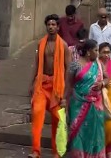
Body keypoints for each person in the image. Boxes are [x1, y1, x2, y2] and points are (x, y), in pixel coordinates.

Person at [30, 14, 67, 158]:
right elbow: (37, 64)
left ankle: (56, 152)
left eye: (53, 25)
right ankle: (35, 151)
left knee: (57, 120)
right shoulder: (41, 43)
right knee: (37, 113)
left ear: (58, 27)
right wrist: (31, 84)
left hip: (57, 86)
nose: (51, 27)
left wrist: (67, 94)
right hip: (41, 84)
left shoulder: (63, 45)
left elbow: (69, 68)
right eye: (49, 24)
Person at [65, 39, 108, 158]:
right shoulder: (75, 65)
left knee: (94, 133)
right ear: (88, 52)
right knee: (78, 132)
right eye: (96, 50)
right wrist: (64, 101)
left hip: (95, 106)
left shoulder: (98, 64)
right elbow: (68, 84)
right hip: (77, 105)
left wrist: (102, 84)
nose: (98, 53)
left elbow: (107, 78)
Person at [97, 42, 111, 157]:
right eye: (104, 52)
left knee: (110, 124)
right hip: (98, 95)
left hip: (110, 96)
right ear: (99, 52)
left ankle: (109, 150)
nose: (106, 55)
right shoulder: (95, 64)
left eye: (108, 52)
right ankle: (102, 150)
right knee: (100, 124)